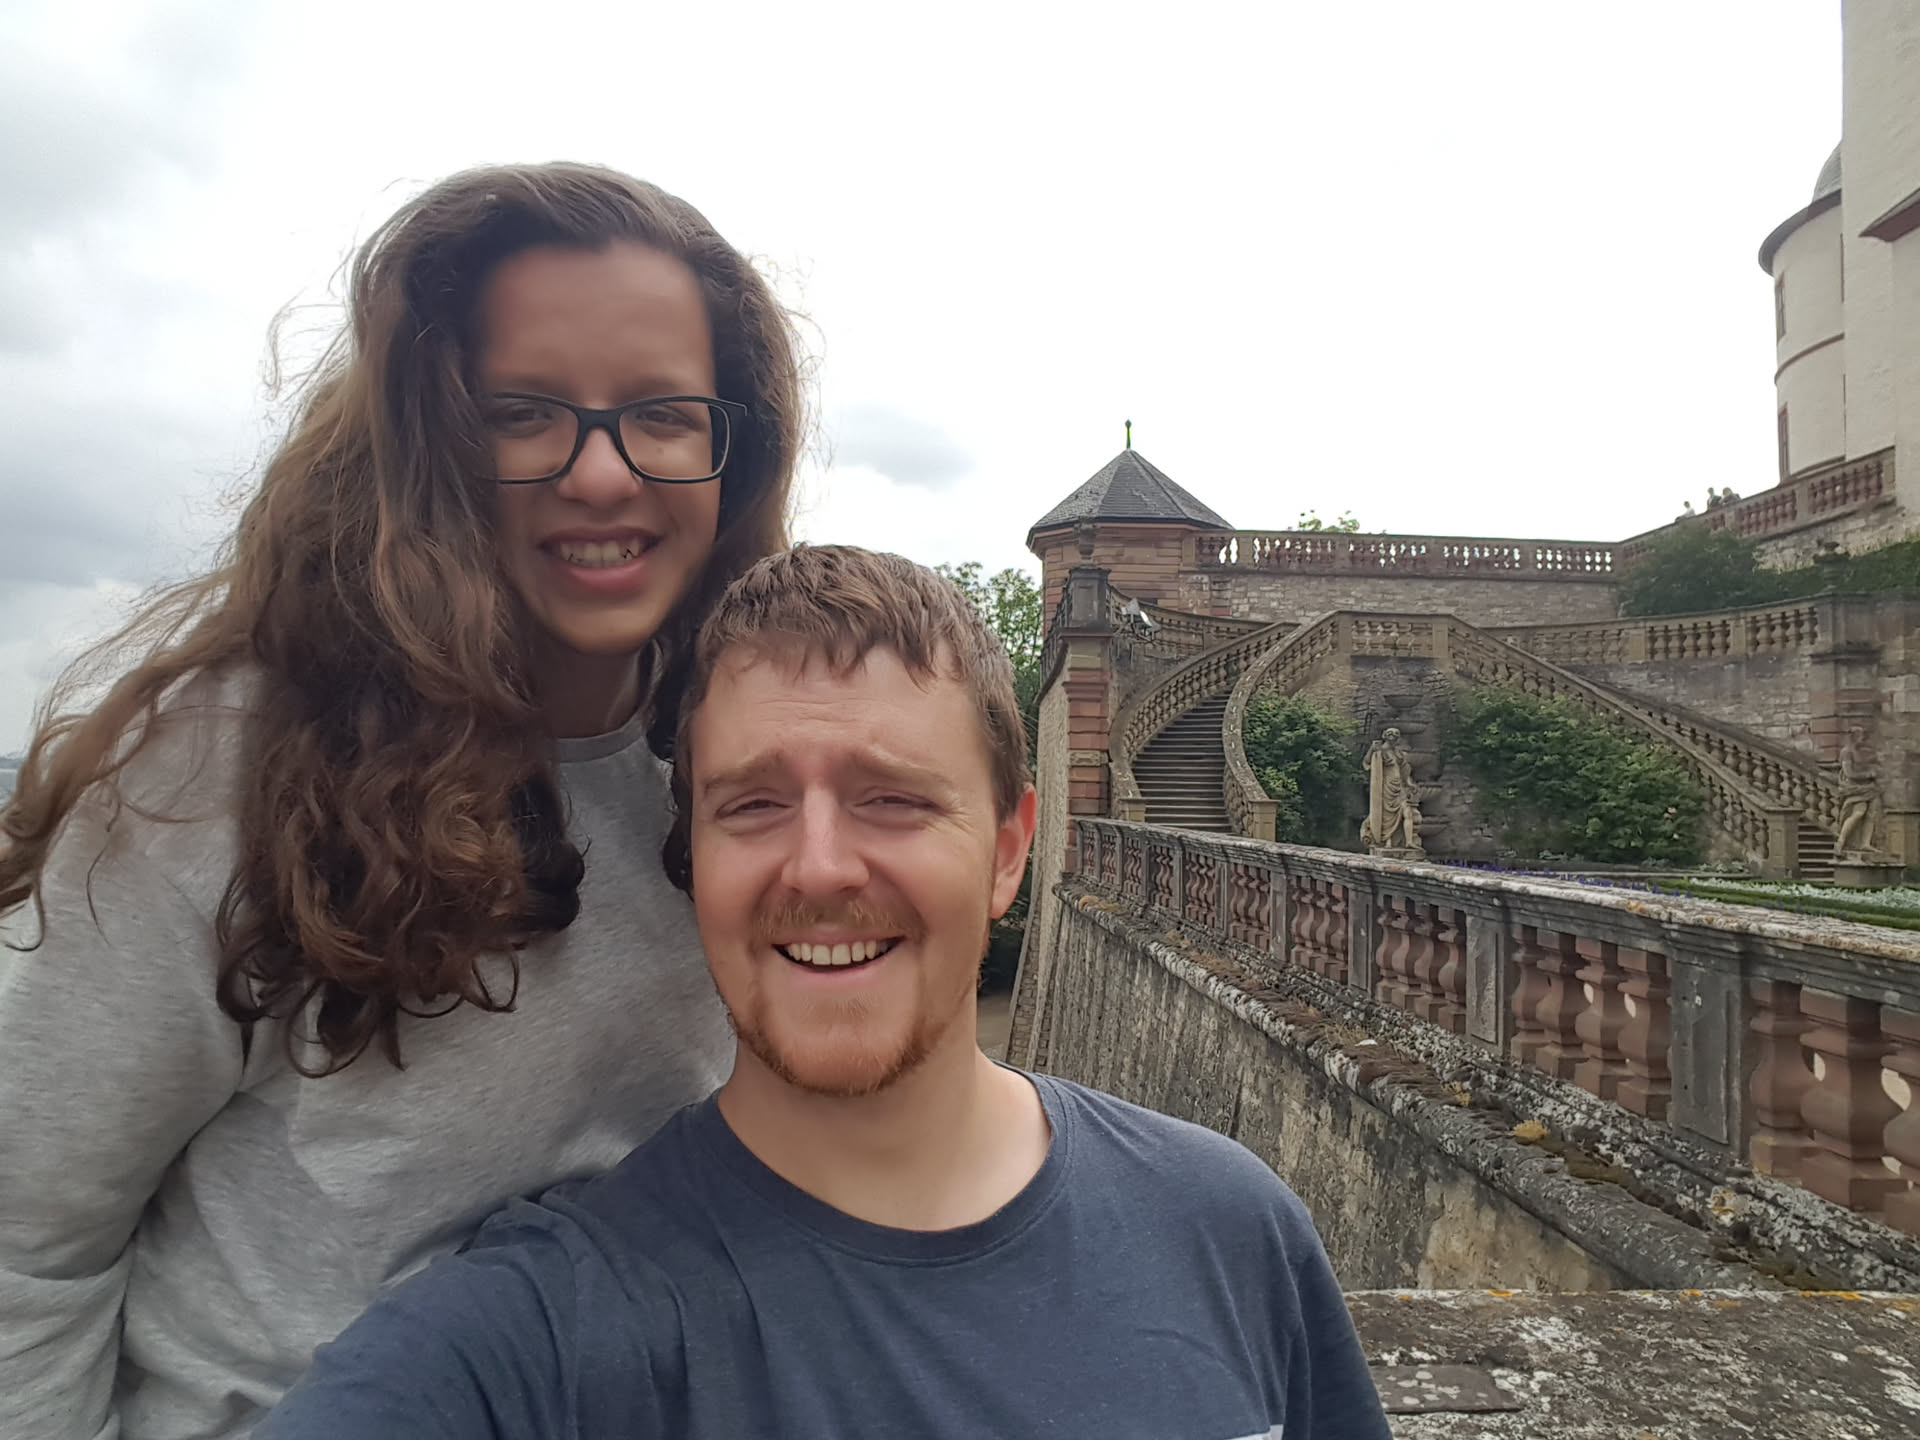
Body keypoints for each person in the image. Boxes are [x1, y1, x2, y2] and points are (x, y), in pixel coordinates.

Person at [0, 163, 802, 1439]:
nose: (603, 475)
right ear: (428, 442)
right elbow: (26, 1255)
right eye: (523, 413)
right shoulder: (214, 773)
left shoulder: (735, 765)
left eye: (662, 413)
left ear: (730, 448)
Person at [260, 546, 1392, 1440]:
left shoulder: (1231, 1231)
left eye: (893, 798)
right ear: (694, 855)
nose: (817, 868)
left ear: (1010, 851)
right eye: (752, 805)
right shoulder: (548, 1331)